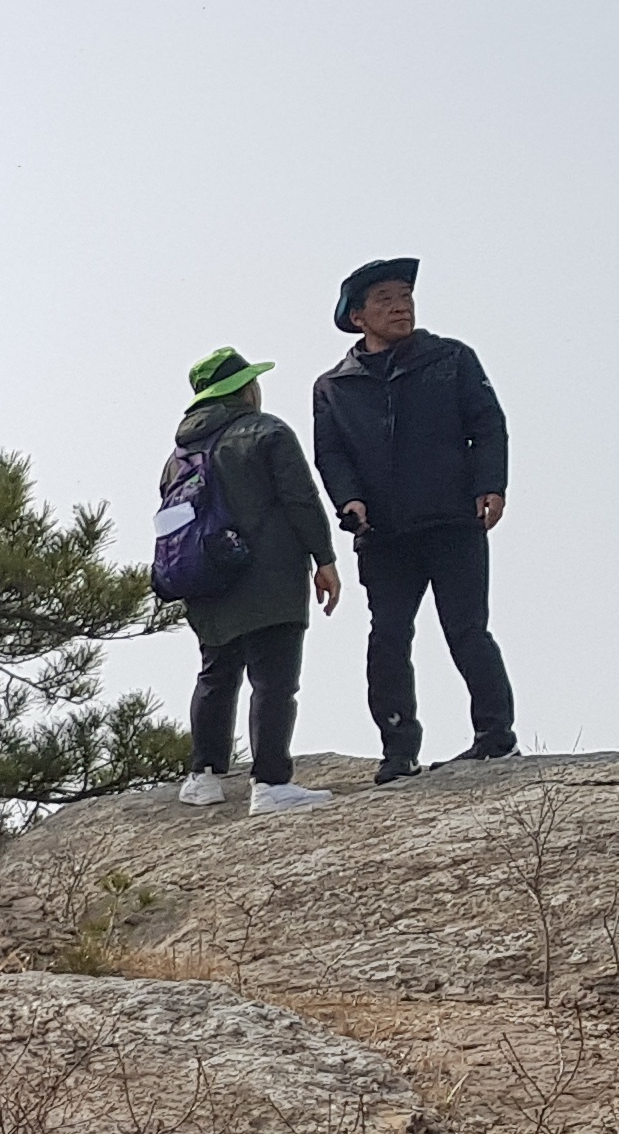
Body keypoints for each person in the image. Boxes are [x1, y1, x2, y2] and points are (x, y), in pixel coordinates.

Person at [313, 258, 514, 778]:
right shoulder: (334, 386)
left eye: (405, 295)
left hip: (452, 519)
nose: (401, 305)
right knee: (389, 636)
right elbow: (331, 455)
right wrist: (349, 502)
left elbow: (487, 424)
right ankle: (398, 751)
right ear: (357, 316)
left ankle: (496, 737)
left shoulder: (451, 358)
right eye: (385, 298)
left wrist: (491, 483)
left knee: (468, 629)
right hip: (383, 534)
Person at [165, 345, 341, 813]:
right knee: (274, 680)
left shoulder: (180, 453)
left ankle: (203, 776)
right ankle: (270, 783)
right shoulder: (266, 431)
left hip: (205, 576)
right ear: (245, 389)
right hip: (270, 575)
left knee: (216, 673)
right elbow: (300, 498)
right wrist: (324, 558)